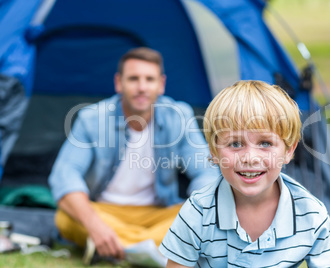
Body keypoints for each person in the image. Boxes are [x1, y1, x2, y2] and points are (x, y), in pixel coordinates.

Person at [48, 47, 219, 263]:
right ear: (118, 83)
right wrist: (95, 225)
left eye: (149, 79)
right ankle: (155, 250)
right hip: (106, 212)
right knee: (65, 218)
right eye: (133, 79)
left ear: (161, 84)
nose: (142, 87)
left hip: (157, 213)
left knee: (202, 217)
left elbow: (207, 172)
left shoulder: (179, 116)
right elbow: (64, 176)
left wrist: (195, 212)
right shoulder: (91, 118)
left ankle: (119, 248)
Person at [159, 80, 330, 267]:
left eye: (265, 143)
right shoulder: (198, 210)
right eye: (235, 144)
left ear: (288, 151)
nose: (250, 158)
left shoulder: (311, 215)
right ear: (214, 152)